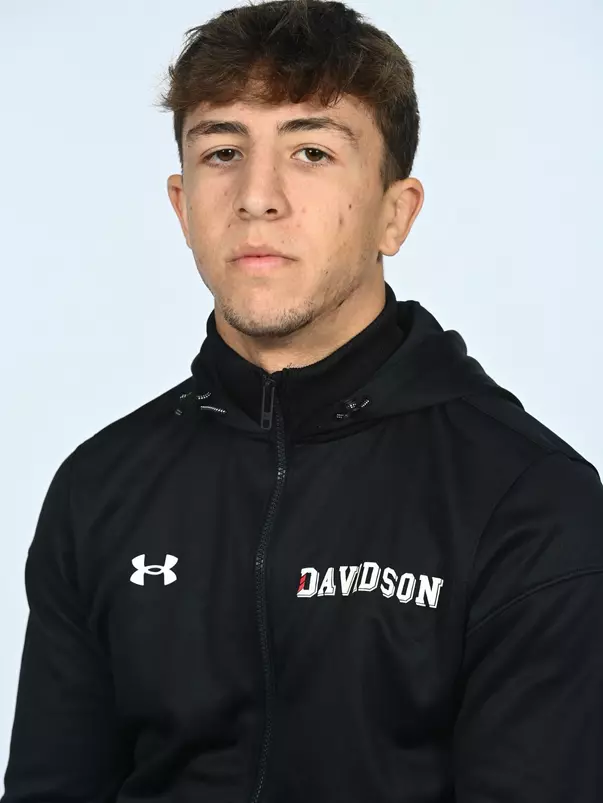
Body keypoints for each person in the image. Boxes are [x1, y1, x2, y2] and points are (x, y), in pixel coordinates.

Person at [2, 0, 603, 800]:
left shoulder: (528, 500)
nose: (257, 196)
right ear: (181, 207)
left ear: (395, 212)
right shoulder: (99, 487)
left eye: (311, 150)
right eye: (222, 151)